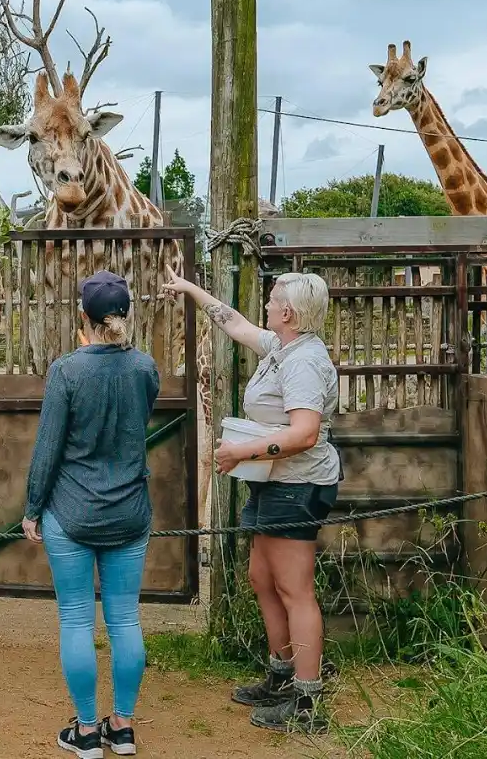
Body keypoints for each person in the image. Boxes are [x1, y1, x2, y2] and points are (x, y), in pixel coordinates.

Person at [161, 266, 339, 734]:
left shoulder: (304, 362)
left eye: (273, 298)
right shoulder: (282, 346)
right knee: (262, 577)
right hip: (274, 481)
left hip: (298, 484)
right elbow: (235, 323)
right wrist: (190, 289)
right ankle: (282, 674)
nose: (266, 303)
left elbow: (305, 433)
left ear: (289, 312)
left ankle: (306, 699)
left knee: (295, 589)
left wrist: (242, 451)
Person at [22, 271, 159, 759]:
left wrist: (33, 508)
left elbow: (48, 447)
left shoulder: (66, 371)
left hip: (71, 512)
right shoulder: (144, 368)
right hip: (129, 512)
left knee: (77, 620)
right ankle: (122, 727)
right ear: (127, 315)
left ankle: (85, 732)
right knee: (125, 620)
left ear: (83, 316)